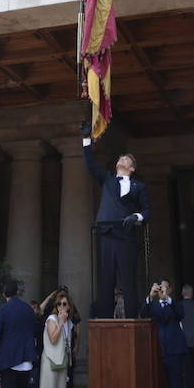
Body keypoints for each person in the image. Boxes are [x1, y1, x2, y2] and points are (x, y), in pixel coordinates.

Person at [82, 131, 150, 318]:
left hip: (126, 235)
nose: (122, 159)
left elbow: (146, 210)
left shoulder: (139, 186)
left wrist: (136, 217)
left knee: (128, 280)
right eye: (121, 158)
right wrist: (87, 139)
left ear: (132, 168)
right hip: (106, 233)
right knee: (106, 280)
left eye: (126, 159)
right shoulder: (108, 180)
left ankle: (131, 319)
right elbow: (91, 165)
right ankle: (104, 319)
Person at [143, 279, 189, 388]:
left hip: (174, 354)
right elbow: (143, 315)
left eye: (165, 287)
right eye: (160, 286)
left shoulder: (175, 305)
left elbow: (180, 313)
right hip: (158, 353)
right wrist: (150, 296)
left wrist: (167, 298)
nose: (162, 289)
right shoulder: (153, 307)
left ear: (169, 289)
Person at [39, 288, 74, 388]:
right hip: (50, 362)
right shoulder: (52, 319)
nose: (61, 306)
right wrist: (60, 322)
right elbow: (53, 339)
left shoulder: (69, 322)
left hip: (62, 362)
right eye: (59, 304)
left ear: (69, 306)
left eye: (64, 304)